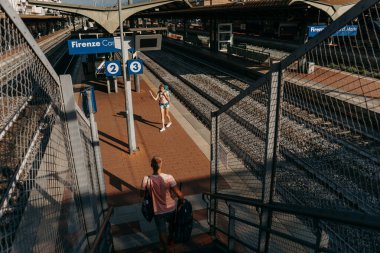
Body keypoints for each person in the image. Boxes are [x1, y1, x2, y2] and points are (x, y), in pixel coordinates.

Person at [141, 157, 184, 253]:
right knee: (172, 225)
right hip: (171, 208)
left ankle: (166, 249)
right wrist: (182, 199)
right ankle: (171, 240)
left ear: (151, 166)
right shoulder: (169, 177)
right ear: (161, 165)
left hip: (158, 211)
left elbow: (141, 195)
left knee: (161, 231)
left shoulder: (146, 179)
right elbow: (179, 194)